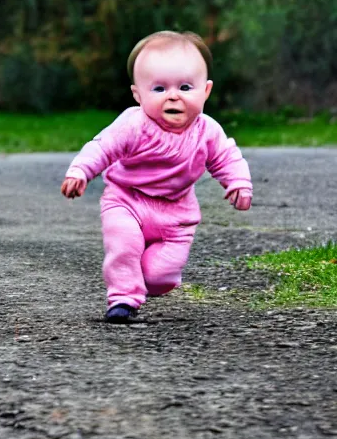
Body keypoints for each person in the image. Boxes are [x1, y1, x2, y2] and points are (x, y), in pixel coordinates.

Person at [61, 31, 253, 323]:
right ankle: (123, 299)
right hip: (126, 199)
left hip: (177, 214)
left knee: (158, 276)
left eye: (186, 87)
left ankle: (148, 282)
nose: (173, 96)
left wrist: (238, 184)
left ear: (206, 91)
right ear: (138, 95)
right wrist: (80, 172)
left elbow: (227, 158)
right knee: (124, 244)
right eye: (159, 89)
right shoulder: (133, 124)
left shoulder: (207, 131)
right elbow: (102, 147)